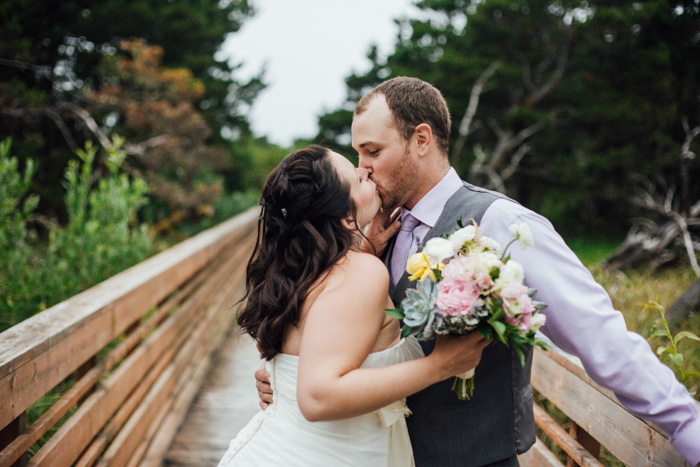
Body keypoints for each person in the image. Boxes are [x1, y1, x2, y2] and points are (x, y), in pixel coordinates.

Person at [256, 78, 700, 466]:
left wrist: (687, 427)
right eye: (357, 154)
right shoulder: (375, 234)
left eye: (372, 151)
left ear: (422, 140)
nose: (362, 168)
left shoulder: (500, 224)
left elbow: (601, 336)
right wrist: (288, 372)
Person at [218, 145, 490, 466]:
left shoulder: (299, 274)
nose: (366, 171)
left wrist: (361, 248)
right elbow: (317, 397)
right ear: (347, 217)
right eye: (357, 179)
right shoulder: (360, 273)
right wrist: (439, 365)